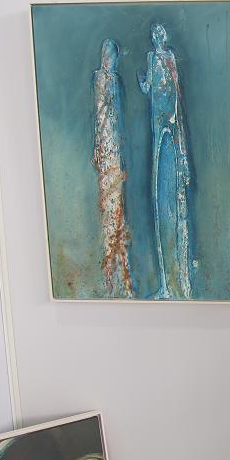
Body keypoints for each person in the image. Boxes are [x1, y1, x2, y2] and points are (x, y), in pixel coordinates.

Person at [138, 23, 193, 299]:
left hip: (170, 123)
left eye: (160, 34)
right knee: (159, 199)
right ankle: (165, 284)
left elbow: (175, 92)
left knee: (175, 201)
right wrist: (143, 83)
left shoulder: (169, 57)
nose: (158, 38)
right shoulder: (152, 58)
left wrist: (181, 149)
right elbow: (149, 86)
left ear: (164, 37)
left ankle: (180, 281)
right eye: (155, 35)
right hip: (159, 125)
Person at [92, 38, 133, 298]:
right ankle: (111, 277)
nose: (111, 61)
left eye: (113, 56)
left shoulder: (114, 80)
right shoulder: (101, 78)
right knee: (110, 208)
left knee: (117, 209)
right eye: (108, 55)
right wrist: (100, 146)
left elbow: (115, 116)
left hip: (114, 151)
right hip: (107, 150)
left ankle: (122, 276)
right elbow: (101, 114)